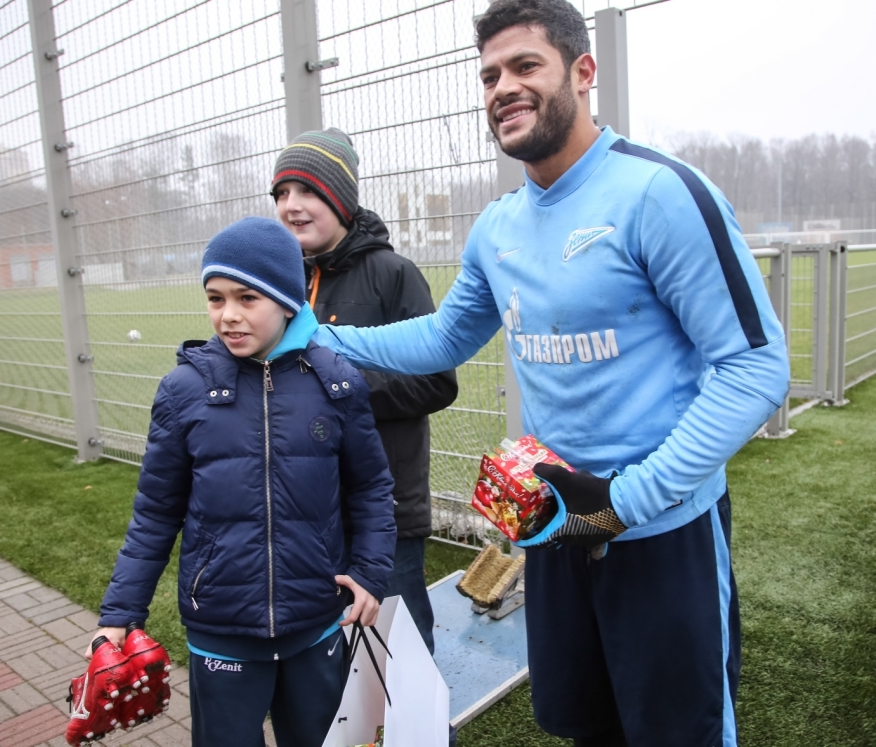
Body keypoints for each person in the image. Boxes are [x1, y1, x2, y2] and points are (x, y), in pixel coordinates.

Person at [314, 1, 791, 746]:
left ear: (582, 71)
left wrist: (624, 501)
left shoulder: (658, 193)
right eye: (489, 76)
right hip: (554, 531)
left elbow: (756, 366)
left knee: (678, 733)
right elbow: (444, 337)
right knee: (587, 727)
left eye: (524, 66)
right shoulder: (498, 225)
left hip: (662, 534)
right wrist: (319, 337)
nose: (502, 86)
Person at [91, 217, 396, 747]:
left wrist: (370, 573)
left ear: (288, 301)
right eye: (215, 298)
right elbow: (156, 512)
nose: (228, 316)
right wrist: (120, 615)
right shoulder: (183, 390)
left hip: (317, 622)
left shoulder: (337, 381)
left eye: (247, 297)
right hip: (221, 631)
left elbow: (370, 489)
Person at [271, 128, 458, 654]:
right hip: (308, 509)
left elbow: (437, 380)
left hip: (385, 511)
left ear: (341, 198)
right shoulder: (282, 282)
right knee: (327, 656)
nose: (292, 205)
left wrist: (335, 391)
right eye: (282, 193)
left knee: (399, 657)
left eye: (307, 191)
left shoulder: (393, 275)